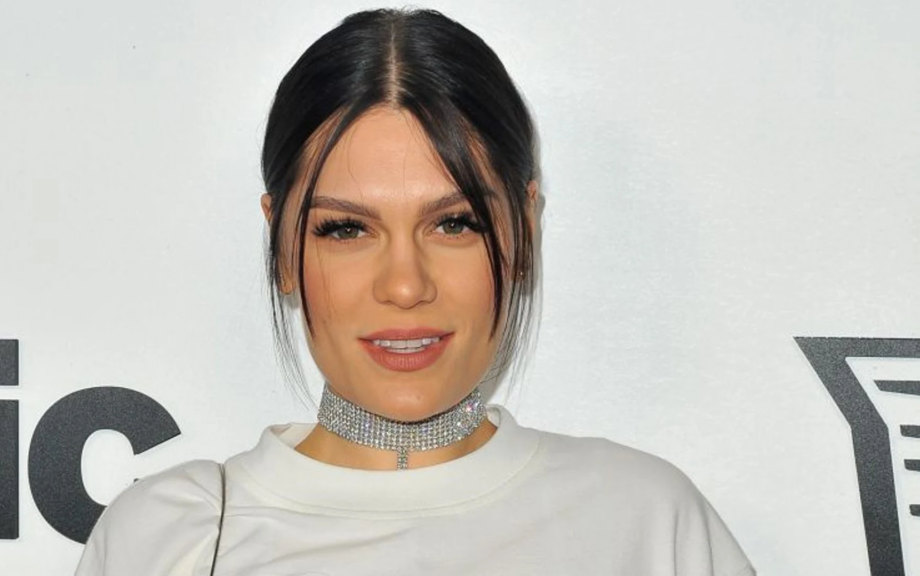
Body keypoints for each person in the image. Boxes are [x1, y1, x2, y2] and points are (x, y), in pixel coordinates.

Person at [75, 8, 754, 576]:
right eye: (346, 229)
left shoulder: (642, 522)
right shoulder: (169, 537)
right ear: (282, 247)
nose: (405, 286)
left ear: (524, 232)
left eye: (455, 223)